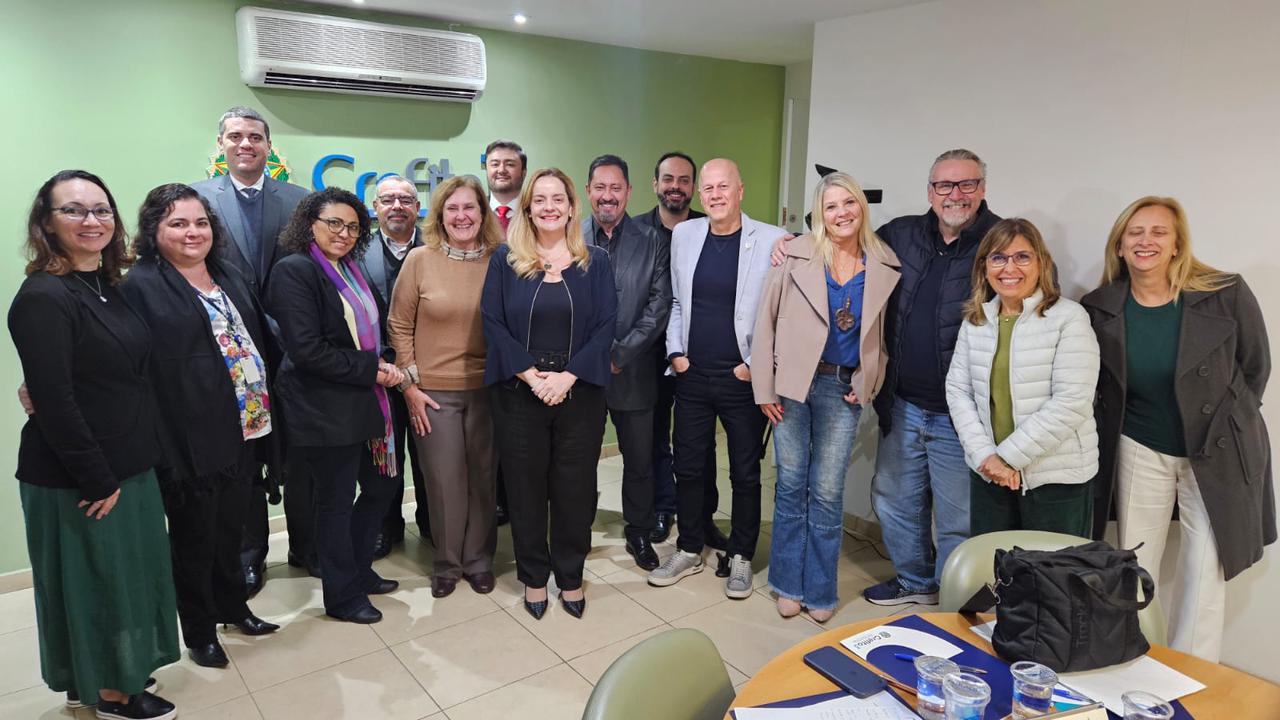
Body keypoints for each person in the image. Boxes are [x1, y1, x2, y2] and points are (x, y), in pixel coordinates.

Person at [9, 170, 179, 719]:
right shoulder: (43, 296)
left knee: (126, 582)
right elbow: (54, 400)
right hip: (81, 477)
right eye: (74, 210)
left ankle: (102, 675)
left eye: (102, 210)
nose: (92, 220)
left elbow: (116, 376)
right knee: (97, 586)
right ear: (46, 222)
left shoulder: (108, 287)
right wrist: (96, 477)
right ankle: (112, 693)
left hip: (128, 461)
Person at [1082, 196, 1274, 662]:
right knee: (1134, 562)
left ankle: (1194, 672)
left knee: (1206, 566)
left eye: (1158, 232)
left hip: (1215, 449)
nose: (1145, 241)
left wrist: (1230, 422)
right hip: (1139, 445)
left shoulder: (1226, 292)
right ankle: (1132, 662)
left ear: (1176, 244)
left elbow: (1256, 367)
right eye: (1135, 232)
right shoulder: (1100, 306)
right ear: (1120, 246)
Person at [120, 184, 282, 670]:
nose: (193, 232)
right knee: (195, 540)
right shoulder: (140, 286)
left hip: (246, 427)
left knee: (232, 531)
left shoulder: (227, 273)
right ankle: (200, 631)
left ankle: (234, 608)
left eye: (200, 222)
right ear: (154, 230)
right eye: (178, 223)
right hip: (190, 438)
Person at [752, 172, 901, 622]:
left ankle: (819, 588)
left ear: (861, 207)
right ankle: (787, 583)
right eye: (831, 206)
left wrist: (868, 382)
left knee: (827, 490)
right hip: (792, 386)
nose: (841, 213)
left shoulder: (883, 263)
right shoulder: (795, 255)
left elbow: (883, 336)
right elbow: (766, 323)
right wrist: (764, 388)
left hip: (841, 388)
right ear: (820, 214)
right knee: (791, 483)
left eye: (848, 203)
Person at [862, 149, 1002, 607]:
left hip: (961, 417)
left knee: (959, 519)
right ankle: (915, 581)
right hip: (903, 403)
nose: (955, 194)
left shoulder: (1001, 241)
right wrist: (789, 245)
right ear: (930, 191)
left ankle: (952, 601)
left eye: (966, 184)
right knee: (894, 499)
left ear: (982, 189)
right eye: (945, 185)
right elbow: (844, 249)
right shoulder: (901, 234)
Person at [481, 168, 617, 620]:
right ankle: (534, 577)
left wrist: (567, 376)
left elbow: (606, 325)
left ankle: (571, 576)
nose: (549, 207)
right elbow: (492, 322)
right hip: (520, 392)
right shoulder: (505, 260)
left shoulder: (595, 261)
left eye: (558, 198)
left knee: (575, 489)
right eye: (539, 200)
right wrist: (531, 376)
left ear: (572, 207)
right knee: (525, 490)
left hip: (580, 392)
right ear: (527, 208)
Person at [647, 158, 786, 598]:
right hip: (692, 375)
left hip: (741, 378)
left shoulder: (772, 239)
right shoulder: (685, 235)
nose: (715, 195)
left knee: (745, 472)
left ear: (740, 190)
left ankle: (741, 554)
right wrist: (676, 353)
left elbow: (780, 312)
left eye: (723, 186)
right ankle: (689, 547)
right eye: (707, 188)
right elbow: (676, 301)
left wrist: (754, 365)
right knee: (688, 466)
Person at [267, 187, 405, 625]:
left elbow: (371, 332)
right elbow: (307, 350)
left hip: (364, 402)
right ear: (310, 224)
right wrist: (374, 369)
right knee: (336, 502)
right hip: (323, 408)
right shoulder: (295, 271)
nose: (344, 233)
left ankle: (359, 569)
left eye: (353, 227)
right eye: (334, 223)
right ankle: (342, 596)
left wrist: (382, 364)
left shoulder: (350, 270)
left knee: (381, 488)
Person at [191, 105, 309, 595]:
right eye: (236, 136)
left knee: (302, 451)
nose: (246, 144)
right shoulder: (197, 200)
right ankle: (249, 556)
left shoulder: (300, 200)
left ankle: (308, 546)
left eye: (255, 137)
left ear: (268, 145)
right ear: (221, 143)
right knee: (245, 455)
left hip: (294, 348)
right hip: (230, 352)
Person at [945, 218, 1099, 539]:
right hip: (989, 475)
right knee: (994, 564)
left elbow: (1072, 402)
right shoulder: (976, 321)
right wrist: (986, 457)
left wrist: (1007, 458)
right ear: (984, 267)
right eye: (998, 258)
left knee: (1054, 569)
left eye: (1022, 257)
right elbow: (958, 392)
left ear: (1041, 263)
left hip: (1054, 479)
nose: (1009, 268)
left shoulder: (1069, 318)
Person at [388, 174, 504, 598]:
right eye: (452, 208)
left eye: (469, 207)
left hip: (488, 389)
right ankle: (448, 564)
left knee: (483, 480)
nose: (461, 216)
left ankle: (479, 561)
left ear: (483, 213)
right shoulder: (420, 260)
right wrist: (410, 385)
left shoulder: (501, 260)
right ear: (439, 215)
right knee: (443, 481)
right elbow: (399, 325)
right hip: (432, 393)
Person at [582, 154, 672, 571]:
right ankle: (576, 530)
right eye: (600, 187)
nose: (608, 195)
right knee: (579, 461)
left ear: (629, 192)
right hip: (580, 375)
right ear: (588, 191)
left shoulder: (651, 240)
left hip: (633, 371)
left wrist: (619, 354)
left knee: (639, 461)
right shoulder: (569, 236)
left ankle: (638, 530)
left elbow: (658, 305)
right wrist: (588, 358)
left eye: (616, 188)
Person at [632, 151, 716, 545]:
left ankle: (702, 516)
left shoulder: (710, 227)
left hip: (698, 355)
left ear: (693, 187)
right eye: (668, 179)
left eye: (684, 180)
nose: (675, 187)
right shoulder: (636, 232)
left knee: (701, 441)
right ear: (655, 184)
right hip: (648, 354)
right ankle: (663, 508)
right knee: (654, 437)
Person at [361, 175, 429, 560]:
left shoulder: (437, 248)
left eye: (406, 199)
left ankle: (432, 521)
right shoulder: (357, 251)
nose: (397, 207)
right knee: (384, 459)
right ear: (376, 208)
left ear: (418, 208)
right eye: (388, 200)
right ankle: (386, 527)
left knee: (429, 453)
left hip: (427, 372)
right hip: (380, 374)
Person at [483, 138, 528, 526]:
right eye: (494, 163)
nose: (501, 169)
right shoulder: (472, 213)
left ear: (522, 171)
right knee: (489, 430)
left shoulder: (537, 213)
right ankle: (494, 502)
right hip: (481, 336)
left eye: (509, 163)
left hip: (527, 340)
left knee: (520, 432)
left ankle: (520, 502)